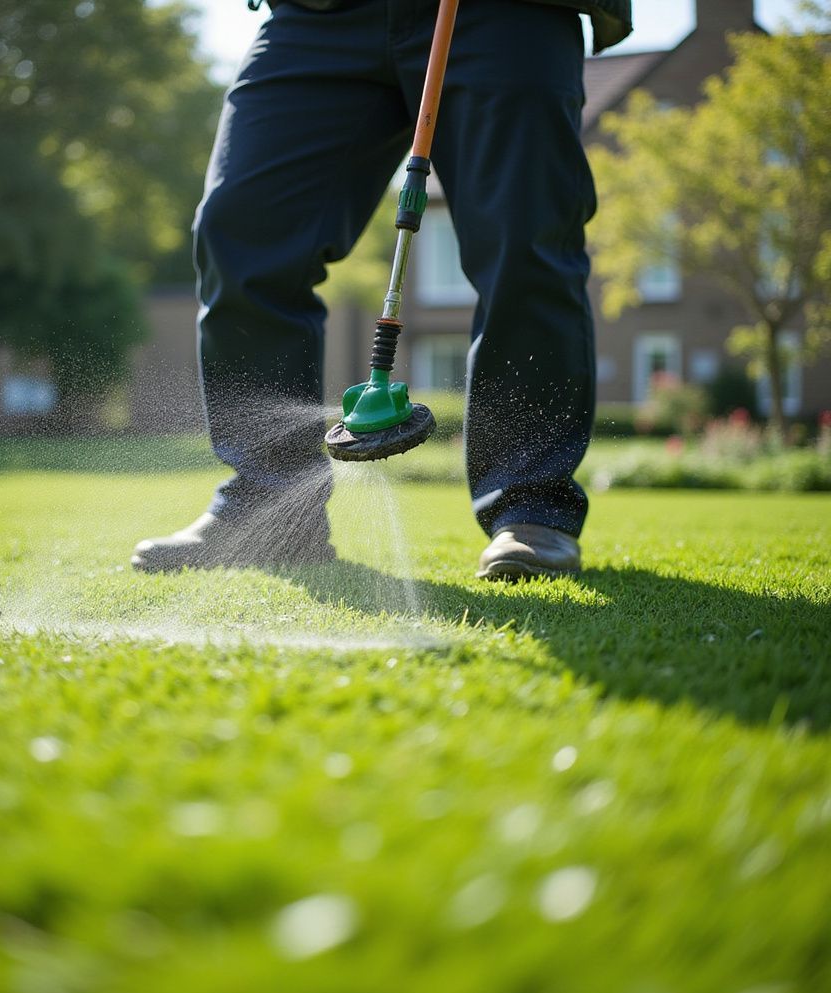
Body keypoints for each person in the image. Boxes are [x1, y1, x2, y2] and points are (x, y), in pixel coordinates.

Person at [132, 0, 632, 579]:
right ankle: (270, 511)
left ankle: (531, 509)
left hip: (506, 11)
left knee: (527, 243)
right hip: (320, 12)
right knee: (241, 231)